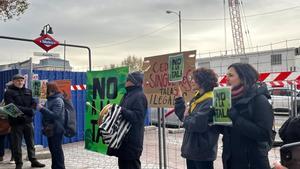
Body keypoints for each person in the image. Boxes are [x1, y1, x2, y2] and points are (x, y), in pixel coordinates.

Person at [222, 63, 274, 169]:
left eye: (231, 75)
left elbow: (264, 134)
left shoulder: (259, 100)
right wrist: (213, 120)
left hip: (252, 163)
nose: (226, 79)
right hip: (231, 161)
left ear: (243, 77)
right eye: (226, 75)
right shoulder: (230, 99)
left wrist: (235, 117)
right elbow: (230, 131)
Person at [174, 67, 219, 169]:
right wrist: (179, 99)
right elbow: (184, 117)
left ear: (203, 81)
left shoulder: (210, 100)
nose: (192, 81)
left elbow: (195, 124)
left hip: (202, 153)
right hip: (194, 151)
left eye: (195, 79)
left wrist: (186, 117)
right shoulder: (197, 99)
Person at [107, 71, 148, 169]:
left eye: (128, 80)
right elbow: (122, 114)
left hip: (132, 143)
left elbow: (137, 117)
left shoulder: (139, 96)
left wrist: (120, 110)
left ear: (135, 82)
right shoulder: (127, 95)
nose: (126, 81)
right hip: (122, 140)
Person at [4, 74, 45, 169]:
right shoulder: (9, 92)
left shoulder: (28, 91)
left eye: (22, 80)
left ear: (24, 81)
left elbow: (33, 104)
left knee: (30, 142)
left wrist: (31, 112)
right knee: (16, 144)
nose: (20, 82)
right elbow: (11, 106)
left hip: (28, 122)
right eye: (18, 80)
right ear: (13, 81)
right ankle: (19, 163)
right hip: (16, 122)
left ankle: (33, 160)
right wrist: (28, 111)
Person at [36, 82, 65, 169]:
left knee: (57, 150)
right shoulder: (49, 99)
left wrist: (42, 109)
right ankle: (55, 167)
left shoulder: (58, 100)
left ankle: (60, 167)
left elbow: (55, 115)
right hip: (50, 129)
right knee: (53, 150)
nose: (43, 91)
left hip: (57, 129)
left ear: (51, 90)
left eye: (45, 89)